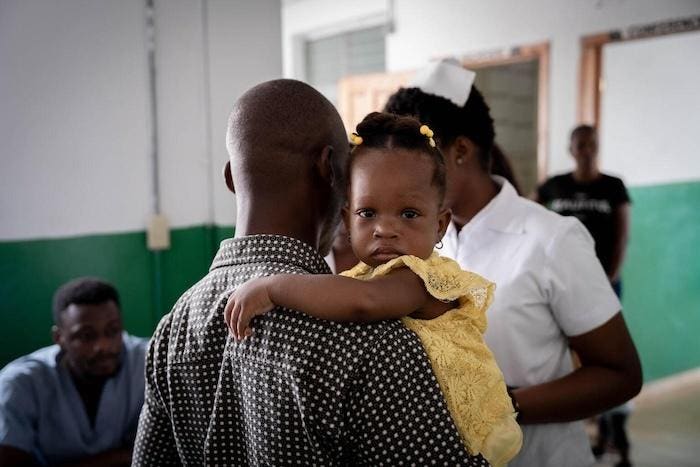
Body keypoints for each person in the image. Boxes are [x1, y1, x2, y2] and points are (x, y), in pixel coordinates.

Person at [132, 79, 490, 466]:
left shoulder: (173, 328)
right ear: (330, 172)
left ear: (232, 179)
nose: (384, 228)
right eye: (367, 209)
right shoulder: (374, 335)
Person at [224, 112, 522, 466]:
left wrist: (274, 287)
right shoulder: (366, 274)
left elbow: (364, 303)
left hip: (463, 429)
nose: (385, 229)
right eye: (368, 213)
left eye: (408, 214)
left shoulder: (418, 276)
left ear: (440, 225)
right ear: (346, 219)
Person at [384, 59, 642, 467]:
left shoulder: (551, 240)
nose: (399, 181)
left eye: (412, 161)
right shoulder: (421, 240)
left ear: (461, 151)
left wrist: (500, 407)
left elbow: (619, 374)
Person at [536, 125, 633, 466]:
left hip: (602, 284)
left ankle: (615, 435)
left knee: (605, 359)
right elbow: (533, 223)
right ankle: (587, 427)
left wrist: (610, 277)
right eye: (580, 144)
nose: (586, 149)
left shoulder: (613, 187)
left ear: (598, 146)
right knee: (565, 355)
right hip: (558, 287)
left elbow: (622, 236)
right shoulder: (554, 185)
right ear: (570, 148)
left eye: (592, 143)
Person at [0, 278, 148, 467]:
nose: (103, 346)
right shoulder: (19, 384)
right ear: (59, 337)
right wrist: (118, 457)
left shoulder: (148, 362)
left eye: (113, 331)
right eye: (87, 336)